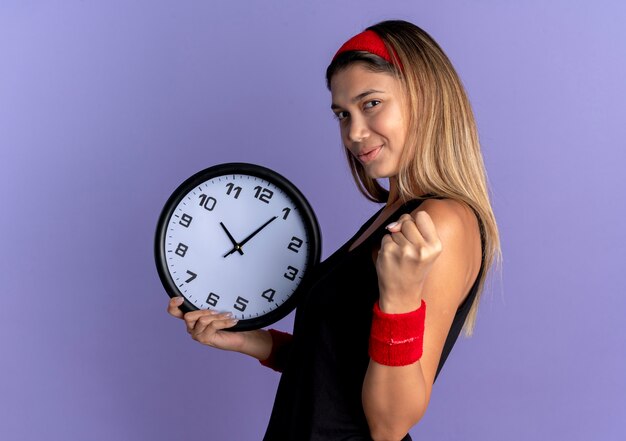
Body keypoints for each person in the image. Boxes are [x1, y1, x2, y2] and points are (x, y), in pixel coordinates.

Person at [167, 19, 502, 441]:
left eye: (372, 103)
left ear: (426, 97)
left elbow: (389, 424)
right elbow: (338, 361)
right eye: (343, 114)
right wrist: (247, 341)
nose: (354, 133)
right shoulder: (392, 216)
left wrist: (399, 299)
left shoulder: (441, 222)